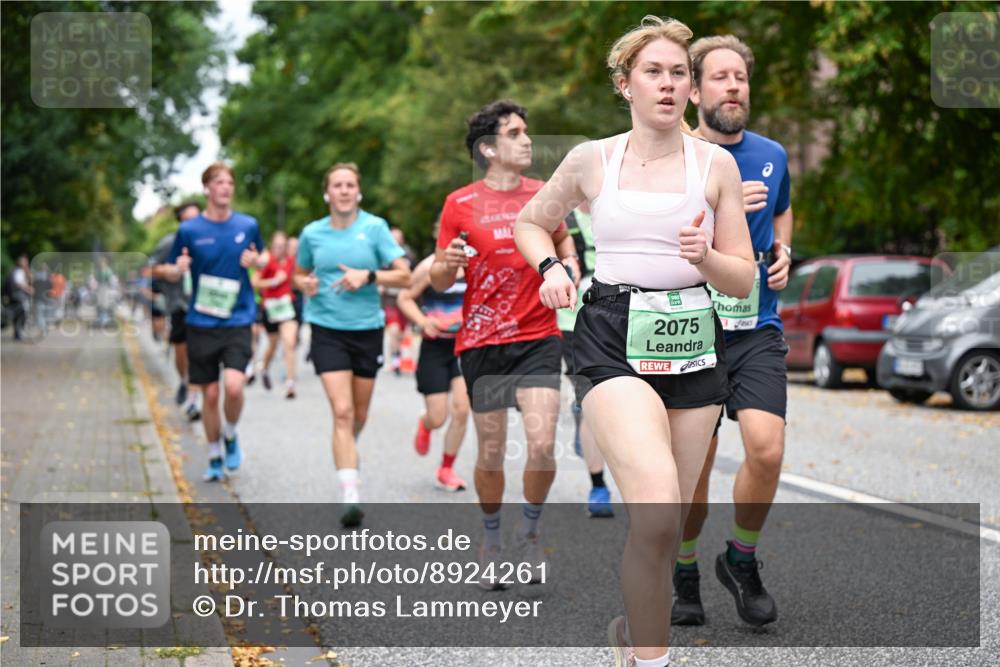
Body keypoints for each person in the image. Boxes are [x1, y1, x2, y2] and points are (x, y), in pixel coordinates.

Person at [514, 16, 754, 666]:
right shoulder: (592, 159)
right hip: (612, 336)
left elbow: (742, 276)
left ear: (692, 89)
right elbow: (532, 222)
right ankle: (654, 661)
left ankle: (633, 639)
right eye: (654, 71)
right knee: (653, 514)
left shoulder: (716, 165)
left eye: (680, 72)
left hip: (694, 338)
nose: (668, 84)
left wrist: (705, 255)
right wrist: (551, 268)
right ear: (626, 84)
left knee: (670, 522)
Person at [431, 99, 580, 590]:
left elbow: (562, 241)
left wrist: (569, 265)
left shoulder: (544, 194)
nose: (527, 139)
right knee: (491, 453)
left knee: (541, 441)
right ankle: (491, 538)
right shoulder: (460, 203)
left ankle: (530, 531)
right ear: (489, 148)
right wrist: (449, 262)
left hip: (538, 335)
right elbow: (436, 279)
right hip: (482, 341)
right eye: (515, 133)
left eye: (527, 131)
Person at [671, 34, 793, 629]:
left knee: (767, 449)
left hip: (757, 325)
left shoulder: (772, 153)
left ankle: (740, 559)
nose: (733, 87)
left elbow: (783, 206)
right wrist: (720, 207)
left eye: (740, 77)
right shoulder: (675, 156)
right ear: (694, 91)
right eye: (719, 77)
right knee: (693, 470)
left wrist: (786, 247)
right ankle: (685, 568)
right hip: (692, 329)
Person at [295, 162, 410, 527]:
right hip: (326, 328)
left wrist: (370, 275)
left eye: (349, 185)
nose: (343, 191)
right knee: (342, 411)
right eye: (337, 185)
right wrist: (306, 285)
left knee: (358, 415)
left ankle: (346, 452)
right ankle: (350, 493)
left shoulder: (374, 228)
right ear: (327, 193)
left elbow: (405, 274)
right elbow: (299, 273)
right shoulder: (312, 234)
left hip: (367, 330)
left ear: (357, 192)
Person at [164, 162, 265, 482]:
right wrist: (178, 267)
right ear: (206, 188)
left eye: (229, 182)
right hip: (201, 320)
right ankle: (214, 455)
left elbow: (261, 259)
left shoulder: (248, 225)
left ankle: (231, 434)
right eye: (218, 182)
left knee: (234, 386)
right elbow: (169, 269)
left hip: (238, 317)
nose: (225, 187)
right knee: (209, 395)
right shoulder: (190, 230)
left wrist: (256, 261)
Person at [397, 225, 470, 492]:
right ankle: (426, 422)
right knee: (439, 417)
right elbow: (405, 298)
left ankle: (446, 468)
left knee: (462, 409)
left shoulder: (475, 264)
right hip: (435, 347)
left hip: (465, 346)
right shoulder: (430, 266)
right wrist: (422, 321)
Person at [556, 203, 615, 518]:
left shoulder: (622, 210)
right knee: (591, 402)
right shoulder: (563, 222)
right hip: (573, 322)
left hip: (622, 320)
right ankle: (598, 485)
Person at [152, 201, 203, 420]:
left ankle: (193, 399)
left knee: (199, 352)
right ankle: (184, 380)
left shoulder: (208, 241)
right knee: (182, 351)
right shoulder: (170, 243)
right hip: (179, 304)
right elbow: (151, 268)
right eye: (188, 220)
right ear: (180, 223)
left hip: (204, 305)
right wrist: (169, 270)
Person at [254, 231, 300, 398]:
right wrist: (273, 281)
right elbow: (255, 282)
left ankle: (290, 383)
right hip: (271, 307)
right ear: (272, 246)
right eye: (277, 246)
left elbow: (294, 280)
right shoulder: (267, 262)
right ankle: (264, 367)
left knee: (289, 343)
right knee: (272, 345)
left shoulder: (290, 261)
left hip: (287, 306)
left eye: (283, 246)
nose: (279, 249)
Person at [382, 227, 416, 375]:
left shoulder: (408, 256)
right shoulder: (383, 255)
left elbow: (416, 275)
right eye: (392, 237)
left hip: (405, 297)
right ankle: (395, 360)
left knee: (402, 333)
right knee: (394, 330)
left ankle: (398, 356)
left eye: (398, 238)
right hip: (389, 299)